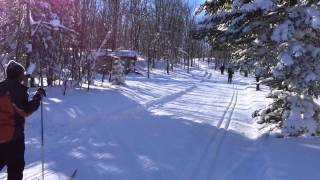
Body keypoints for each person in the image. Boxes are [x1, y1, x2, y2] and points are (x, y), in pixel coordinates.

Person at [0, 60, 46, 180]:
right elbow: (25, 110)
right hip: (14, 141)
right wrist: (38, 97)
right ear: (18, 75)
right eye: (22, 74)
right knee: (15, 171)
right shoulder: (18, 89)